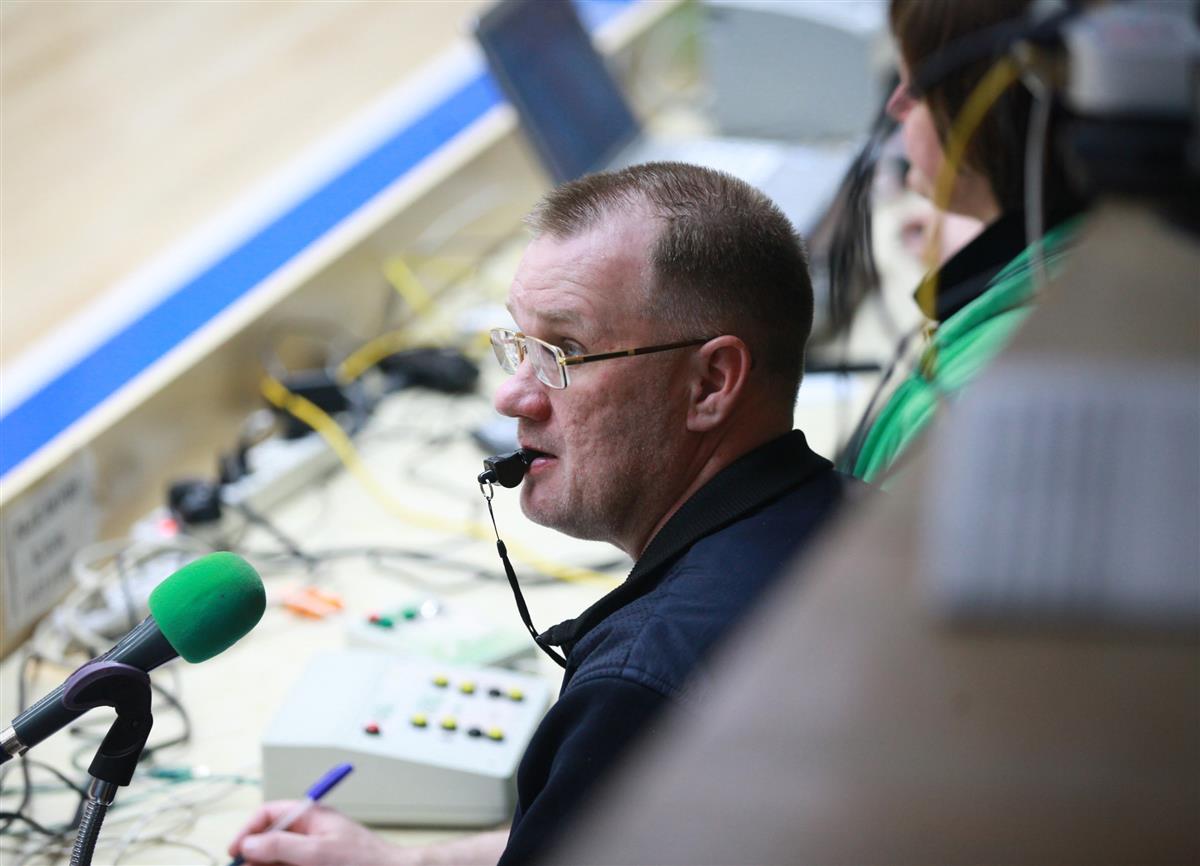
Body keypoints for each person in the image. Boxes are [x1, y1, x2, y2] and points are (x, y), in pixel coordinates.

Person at [229, 161, 862, 865]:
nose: (512, 397)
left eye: (564, 352)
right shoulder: (869, 521)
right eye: (518, 346)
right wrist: (407, 863)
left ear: (711, 384)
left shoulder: (642, 689)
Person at [845, 0, 1087, 484]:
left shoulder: (963, 404)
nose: (895, 105)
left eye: (915, 86)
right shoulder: (1077, 253)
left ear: (982, 113)